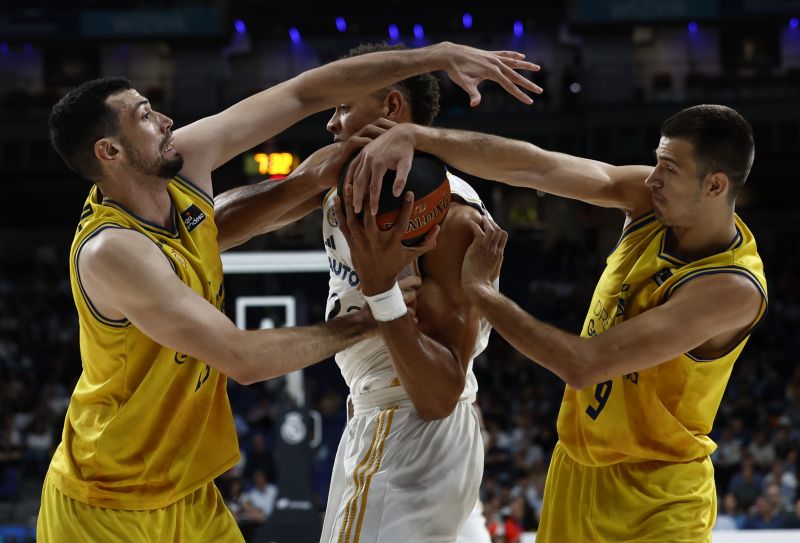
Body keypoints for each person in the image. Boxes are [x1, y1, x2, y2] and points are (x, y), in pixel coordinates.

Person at [39, 42, 542, 542]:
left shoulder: (186, 164)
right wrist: (373, 309)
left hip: (194, 486)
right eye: (146, 116)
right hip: (107, 495)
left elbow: (304, 92)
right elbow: (242, 357)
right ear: (111, 151)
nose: (168, 119)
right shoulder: (112, 251)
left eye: (346, 107)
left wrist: (436, 55)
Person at [345, 104, 767, 542]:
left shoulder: (731, 287)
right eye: (657, 161)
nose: (652, 177)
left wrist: (481, 293)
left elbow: (583, 365)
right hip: (574, 470)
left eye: (670, 169)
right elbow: (535, 166)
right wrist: (420, 137)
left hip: (655, 496)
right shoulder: (649, 204)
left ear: (715, 185)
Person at [215, 41, 539, 542]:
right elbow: (207, 230)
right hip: (391, 420)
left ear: (390, 108)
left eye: (343, 106)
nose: (331, 122)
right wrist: (306, 181)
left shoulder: (448, 216)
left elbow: (439, 394)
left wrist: (381, 291)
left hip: (407, 426)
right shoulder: (340, 175)